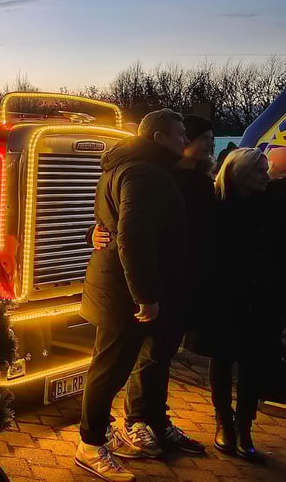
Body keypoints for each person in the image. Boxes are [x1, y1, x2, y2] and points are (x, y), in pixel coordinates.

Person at [74, 109, 188, 482]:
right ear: (158, 137)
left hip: (115, 286)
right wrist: (146, 296)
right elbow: (132, 238)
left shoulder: (126, 166)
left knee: (110, 367)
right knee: (108, 371)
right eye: (179, 134)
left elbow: (111, 222)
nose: (184, 142)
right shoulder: (145, 172)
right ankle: (90, 446)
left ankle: (103, 434)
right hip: (124, 293)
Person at [91, 114, 212, 457]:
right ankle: (134, 422)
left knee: (161, 357)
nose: (205, 144)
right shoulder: (153, 173)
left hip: (183, 281)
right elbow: (121, 223)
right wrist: (94, 234)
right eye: (199, 136)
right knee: (132, 360)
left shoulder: (203, 183)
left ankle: (158, 420)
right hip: (155, 282)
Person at [187, 148, 279, 461]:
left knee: (253, 362)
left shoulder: (273, 203)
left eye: (266, 170)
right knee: (223, 359)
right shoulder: (215, 205)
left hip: (261, 296)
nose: (265, 177)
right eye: (258, 171)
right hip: (223, 297)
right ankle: (224, 421)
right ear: (239, 173)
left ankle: (244, 426)